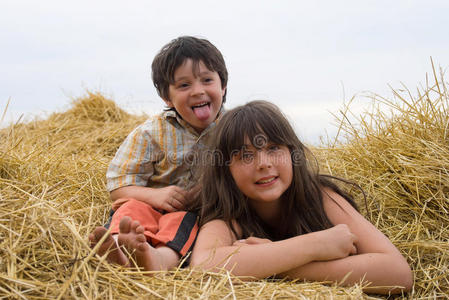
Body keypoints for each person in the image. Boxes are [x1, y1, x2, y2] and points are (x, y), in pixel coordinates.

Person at [186, 101, 413, 295]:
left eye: (273, 148)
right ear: (227, 170)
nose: (264, 163)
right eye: (245, 155)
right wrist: (316, 246)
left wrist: (269, 262)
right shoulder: (229, 212)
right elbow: (204, 267)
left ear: (292, 153)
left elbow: (398, 274)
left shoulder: (320, 196)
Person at [89, 35, 227, 272]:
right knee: (130, 210)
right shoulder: (151, 133)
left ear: (222, 86)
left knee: (183, 223)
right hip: (150, 204)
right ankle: (118, 251)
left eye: (207, 80)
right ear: (167, 97)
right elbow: (118, 185)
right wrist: (155, 196)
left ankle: (155, 260)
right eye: (184, 85)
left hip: (191, 212)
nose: (198, 91)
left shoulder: (232, 131)